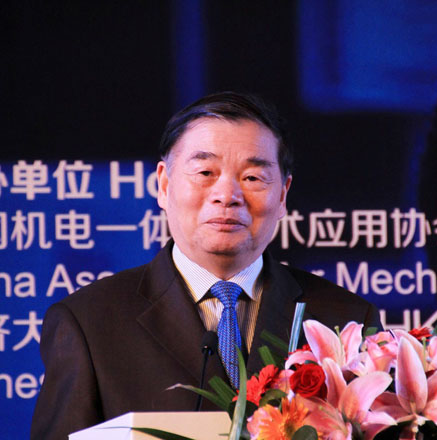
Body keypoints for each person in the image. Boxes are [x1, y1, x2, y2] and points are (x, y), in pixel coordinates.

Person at [30, 91, 380, 439]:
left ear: (283, 195)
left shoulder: (344, 319)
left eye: (253, 178)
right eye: (205, 172)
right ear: (164, 184)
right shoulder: (89, 323)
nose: (227, 195)